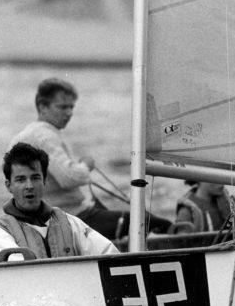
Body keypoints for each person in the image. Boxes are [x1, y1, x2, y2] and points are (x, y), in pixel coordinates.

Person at [10, 77, 171, 240]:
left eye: (71, 107)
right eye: (62, 107)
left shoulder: (27, 135)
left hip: (54, 217)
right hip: (69, 220)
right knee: (153, 223)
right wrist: (86, 165)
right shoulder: (44, 136)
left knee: (124, 216)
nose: (69, 113)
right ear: (42, 106)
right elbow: (68, 178)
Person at [0, 142, 118, 262]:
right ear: (8, 185)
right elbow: (17, 274)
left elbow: (109, 254)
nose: (29, 186)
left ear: (44, 181)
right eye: (21, 179)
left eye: (35, 178)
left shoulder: (69, 222)